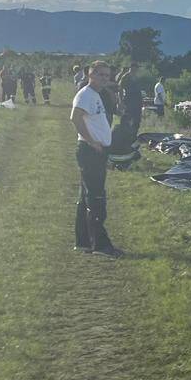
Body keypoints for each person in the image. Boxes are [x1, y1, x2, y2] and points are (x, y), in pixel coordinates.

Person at [71, 60, 121, 257]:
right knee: (96, 198)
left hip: (96, 151)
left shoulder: (96, 95)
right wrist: (92, 141)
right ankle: (100, 245)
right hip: (90, 151)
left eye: (107, 76)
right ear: (90, 75)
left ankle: (83, 241)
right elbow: (75, 118)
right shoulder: (85, 95)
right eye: (100, 74)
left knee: (86, 197)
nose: (104, 79)